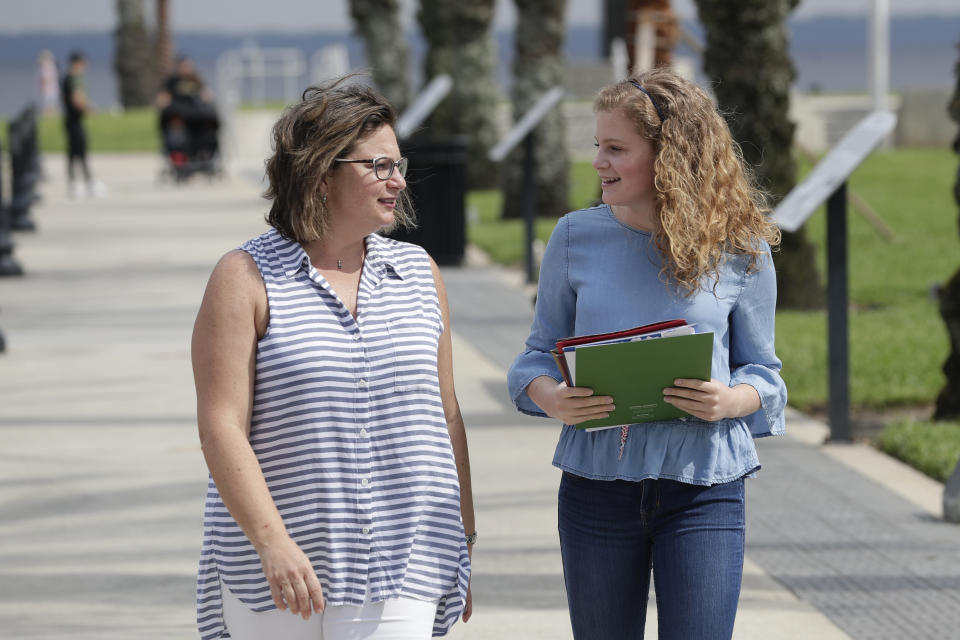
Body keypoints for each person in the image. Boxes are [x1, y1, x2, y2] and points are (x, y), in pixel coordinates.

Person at [507, 67, 787, 640]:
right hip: (595, 492)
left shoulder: (740, 248)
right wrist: (553, 398)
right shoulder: (572, 238)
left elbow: (765, 375)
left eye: (615, 148)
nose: (597, 163)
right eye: (597, 146)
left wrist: (729, 400)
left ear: (670, 156)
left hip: (704, 491)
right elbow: (534, 359)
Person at [192, 76, 475, 640]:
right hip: (279, 566)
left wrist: (463, 538)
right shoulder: (244, 277)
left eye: (399, 165)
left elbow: (445, 413)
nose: (397, 181)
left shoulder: (419, 272)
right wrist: (273, 542)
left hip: (406, 557)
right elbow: (222, 425)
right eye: (379, 166)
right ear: (321, 174)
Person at [156, 55, 219, 165]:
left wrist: (207, 98)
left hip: (196, 116)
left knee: (208, 126)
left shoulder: (196, 79)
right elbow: (163, 97)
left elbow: (206, 94)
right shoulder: (172, 81)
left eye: (189, 66)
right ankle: (181, 160)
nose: (187, 68)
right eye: (184, 66)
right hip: (179, 115)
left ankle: (204, 156)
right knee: (176, 131)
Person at [61, 51, 103, 198]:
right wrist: (89, 109)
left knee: (74, 153)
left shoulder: (68, 78)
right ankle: (86, 183)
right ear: (77, 63)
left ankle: (76, 183)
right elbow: (76, 98)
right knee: (80, 152)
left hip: (70, 120)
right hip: (74, 121)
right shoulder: (73, 79)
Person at [36, 50, 59, 117]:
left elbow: (44, 79)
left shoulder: (44, 66)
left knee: (48, 106)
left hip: (47, 89)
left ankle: (49, 117)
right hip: (53, 89)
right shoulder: (52, 66)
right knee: (51, 105)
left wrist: (43, 88)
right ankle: (51, 116)